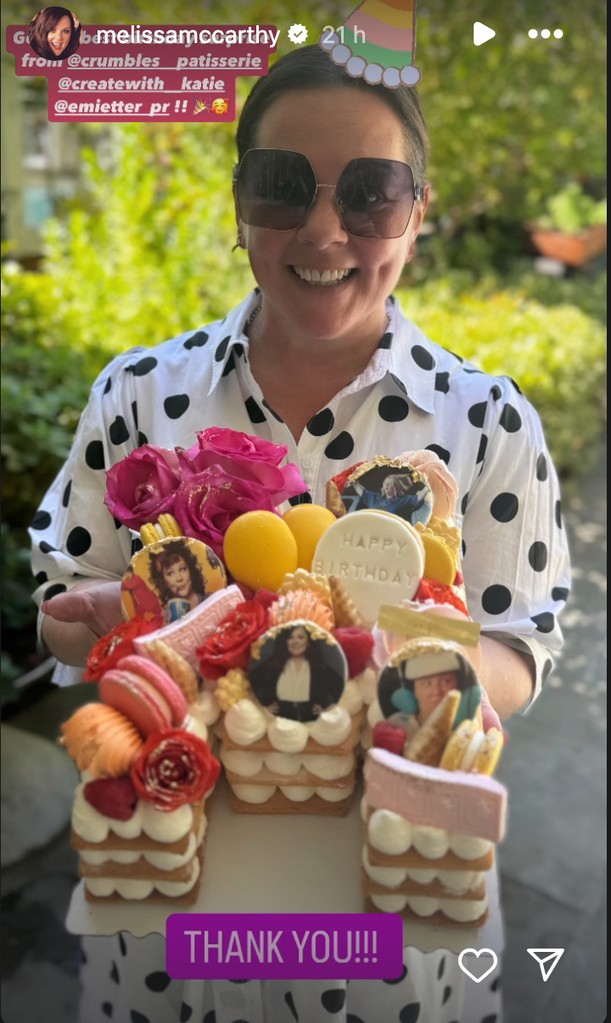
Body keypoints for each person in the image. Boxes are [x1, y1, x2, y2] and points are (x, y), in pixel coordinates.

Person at [31, 44, 570, 1023]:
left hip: (396, 939)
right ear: (239, 205)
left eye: (370, 194)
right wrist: (119, 622)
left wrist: (414, 669)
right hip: (170, 937)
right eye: (284, 187)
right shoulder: (138, 395)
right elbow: (64, 602)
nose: (324, 229)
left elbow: (520, 645)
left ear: (417, 210)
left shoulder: (488, 421)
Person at [250, 623, 345, 721]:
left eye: (300, 637)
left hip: (311, 718)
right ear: (285, 641)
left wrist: (325, 709)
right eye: (290, 637)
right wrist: (265, 708)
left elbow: (338, 686)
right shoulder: (273, 665)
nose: (295, 642)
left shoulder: (319, 667)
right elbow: (253, 680)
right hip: (279, 721)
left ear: (308, 641)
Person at [147, 541, 207, 623]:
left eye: (182, 569)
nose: (179, 578)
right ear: (163, 582)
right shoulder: (165, 619)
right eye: (170, 573)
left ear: (191, 570)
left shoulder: (211, 599)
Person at [347, 472, 431, 522]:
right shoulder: (375, 498)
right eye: (385, 483)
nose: (386, 486)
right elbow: (361, 490)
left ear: (396, 487)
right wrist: (353, 481)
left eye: (390, 483)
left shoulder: (403, 500)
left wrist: (428, 486)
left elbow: (419, 497)